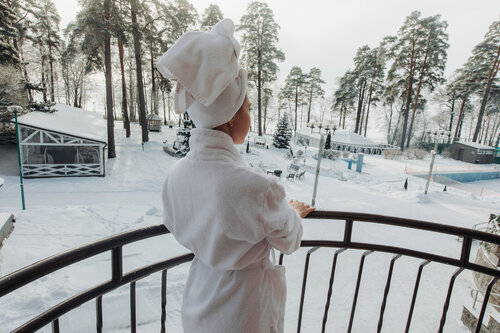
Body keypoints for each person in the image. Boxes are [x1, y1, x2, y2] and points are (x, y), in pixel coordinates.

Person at [157, 18, 315, 333]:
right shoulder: (255, 186)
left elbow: (178, 225)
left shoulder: (176, 175)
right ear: (230, 118)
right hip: (243, 311)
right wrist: (292, 213)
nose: (250, 116)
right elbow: (289, 240)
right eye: (248, 107)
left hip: (199, 301)